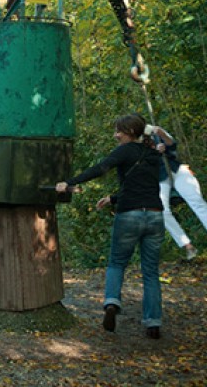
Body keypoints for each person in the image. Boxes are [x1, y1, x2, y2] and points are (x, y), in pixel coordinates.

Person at [56, 113, 164, 339]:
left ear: (131, 133)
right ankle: (153, 323)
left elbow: (100, 168)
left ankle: (112, 303)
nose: (116, 135)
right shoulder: (154, 155)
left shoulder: (125, 151)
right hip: (154, 215)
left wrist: (70, 183)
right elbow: (143, 184)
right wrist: (113, 199)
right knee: (151, 272)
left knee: (116, 263)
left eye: (119, 131)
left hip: (129, 216)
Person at [146, 124, 207, 259]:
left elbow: (171, 143)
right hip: (159, 177)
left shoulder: (154, 132)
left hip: (176, 170)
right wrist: (154, 152)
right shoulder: (133, 146)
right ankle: (187, 245)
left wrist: (162, 134)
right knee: (161, 210)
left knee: (196, 200)